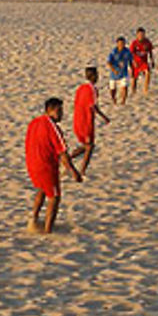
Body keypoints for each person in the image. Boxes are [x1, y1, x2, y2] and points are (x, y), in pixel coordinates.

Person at [25, 98, 82, 234]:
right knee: (55, 197)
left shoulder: (34, 122)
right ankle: (48, 230)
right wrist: (74, 172)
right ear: (51, 110)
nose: (62, 114)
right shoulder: (53, 127)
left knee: (42, 190)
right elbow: (63, 153)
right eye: (60, 110)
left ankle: (33, 219)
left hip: (32, 163)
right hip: (45, 166)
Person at [71, 67, 111, 176]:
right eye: (97, 75)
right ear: (94, 76)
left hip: (77, 119)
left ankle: (67, 159)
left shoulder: (80, 88)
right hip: (86, 121)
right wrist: (104, 117)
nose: (98, 77)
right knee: (89, 146)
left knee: (85, 145)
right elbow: (93, 106)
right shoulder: (92, 89)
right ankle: (82, 171)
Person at [107, 36, 134, 105]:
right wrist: (113, 70)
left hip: (124, 73)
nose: (121, 45)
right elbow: (108, 63)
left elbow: (130, 61)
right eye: (120, 43)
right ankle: (114, 100)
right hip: (114, 74)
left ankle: (123, 101)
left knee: (124, 87)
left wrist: (132, 70)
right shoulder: (113, 52)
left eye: (123, 43)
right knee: (112, 89)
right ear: (117, 44)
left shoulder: (127, 52)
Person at [129, 27, 155, 95]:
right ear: (137, 35)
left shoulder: (147, 42)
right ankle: (133, 91)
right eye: (140, 35)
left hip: (144, 62)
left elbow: (150, 52)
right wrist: (134, 62)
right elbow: (131, 54)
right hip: (136, 62)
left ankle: (146, 89)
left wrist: (152, 60)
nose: (141, 36)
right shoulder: (134, 43)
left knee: (148, 72)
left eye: (143, 35)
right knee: (134, 78)